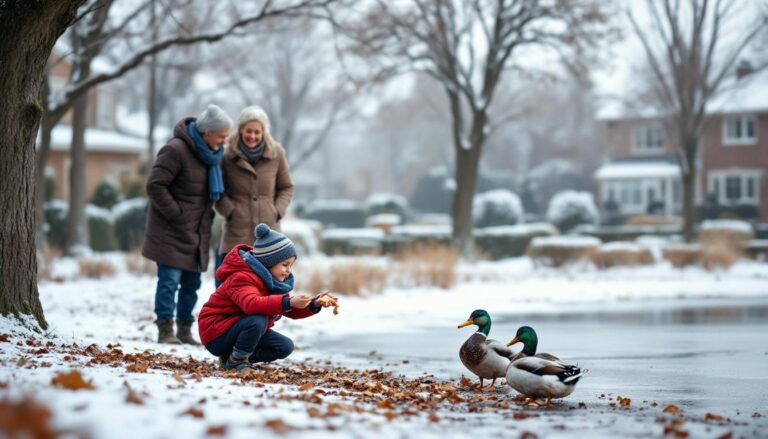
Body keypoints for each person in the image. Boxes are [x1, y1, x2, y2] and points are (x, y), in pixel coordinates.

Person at [143, 104, 233, 345]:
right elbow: (155, 185)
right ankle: (165, 330)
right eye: (222, 135)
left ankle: (184, 330)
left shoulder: (213, 156)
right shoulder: (176, 150)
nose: (225, 140)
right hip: (171, 231)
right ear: (207, 133)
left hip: (197, 232)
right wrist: (177, 213)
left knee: (191, 285)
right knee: (169, 282)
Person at [198, 223, 336, 372]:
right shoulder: (242, 277)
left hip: (241, 329)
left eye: (291, 265)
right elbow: (251, 304)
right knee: (258, 319)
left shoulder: (273, 283)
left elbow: (288, 308)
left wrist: (314, 304)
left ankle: (232, 358)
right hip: (216, 333)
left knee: (284, 347)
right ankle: (237, 362)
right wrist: (287, 302)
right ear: (268, 262)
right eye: (285, 264)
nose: (289, 271)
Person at [214, 106, 294, 286]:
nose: (252, 136)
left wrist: (277, 211)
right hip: (236, 231)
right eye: (248, 131)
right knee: (228, 285)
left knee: (270, 286)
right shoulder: (227, 156)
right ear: (240, 129)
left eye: (257, 132)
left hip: (269, 231)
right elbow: (217, 190)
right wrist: (230, 211)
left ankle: (263, 316)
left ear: (263, 132)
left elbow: (286, 186)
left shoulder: (277, 153)